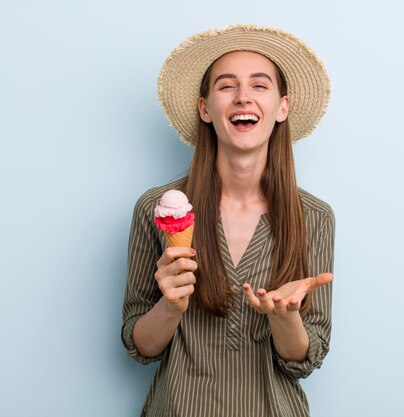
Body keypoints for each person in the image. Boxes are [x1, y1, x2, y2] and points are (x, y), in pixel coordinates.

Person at [122, 24, 335, 417]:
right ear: (205, 108)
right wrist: (170, 306)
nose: (242, 97)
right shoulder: (156, 208)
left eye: (259, 85)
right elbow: (141, 347)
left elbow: (305, 358)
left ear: (281, 107)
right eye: (226, 86)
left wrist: (285, 319)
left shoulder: (315, 218)